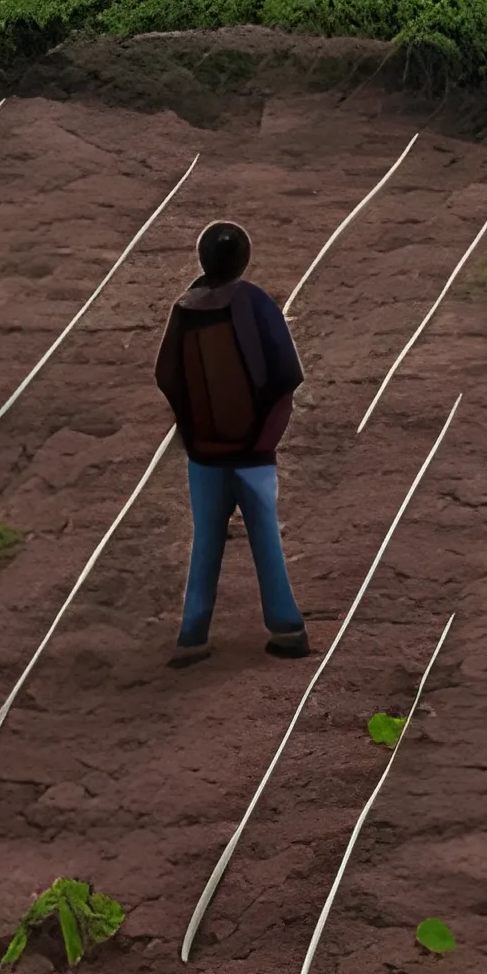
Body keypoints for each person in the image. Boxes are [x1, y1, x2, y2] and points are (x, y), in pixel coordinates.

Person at [153, 220, 310, 667]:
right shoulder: (255, 303)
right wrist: (266, 437)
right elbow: (286, 378)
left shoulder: (185, 309)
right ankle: (286, 628)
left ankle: (193, 636)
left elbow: (166, 376)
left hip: (205, 455)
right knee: (265, 536)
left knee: (206, 542)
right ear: (243, 259)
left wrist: (192, 427)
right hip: (253, 451)